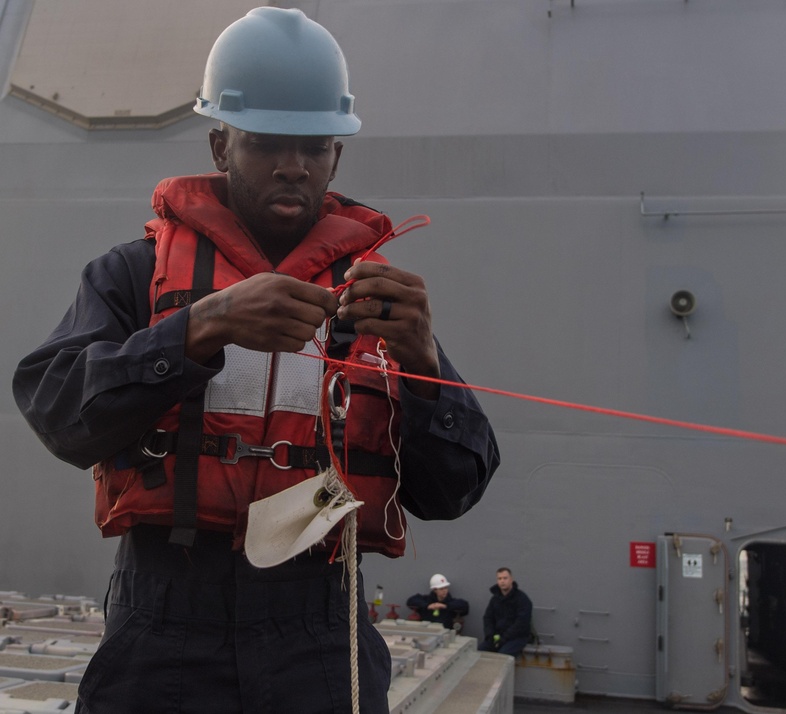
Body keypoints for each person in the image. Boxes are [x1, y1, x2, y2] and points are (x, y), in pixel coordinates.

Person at [11, 7, 499, 713]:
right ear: (220, 146)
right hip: (163, 626)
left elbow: (451, 493)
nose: (292, 165)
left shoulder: (377, 302)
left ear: (337, 156)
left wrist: (423, 362)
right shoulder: (133, 274)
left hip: (321, 629)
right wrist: (199, 326)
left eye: (314, 146)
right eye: (266, 143)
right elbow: (58, 414)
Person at [479, 567, 533, 656]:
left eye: (505, 578)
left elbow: (522, 623)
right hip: (497, 636)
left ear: (511, 579)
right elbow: (488, 618)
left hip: (517, 638)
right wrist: (490, 635)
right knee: (480, 652)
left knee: (502, 656)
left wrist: (504, 638)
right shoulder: (494, 599)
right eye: (499, 578)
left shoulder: (522, 599)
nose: (502, 581)